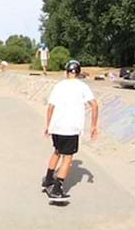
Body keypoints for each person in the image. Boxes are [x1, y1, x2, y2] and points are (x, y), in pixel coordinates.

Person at [42, 60, 98, 200]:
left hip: (56, 127)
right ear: (78, 73)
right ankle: (57, 189)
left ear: (66, 72)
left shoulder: (59, 85)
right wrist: (94, 126)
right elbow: (94, 105)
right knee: (68, 158)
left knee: (57, 151)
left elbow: (50, 107)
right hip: (71, 128)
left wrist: (48, 126)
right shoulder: (83, 87)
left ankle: (48, 179)